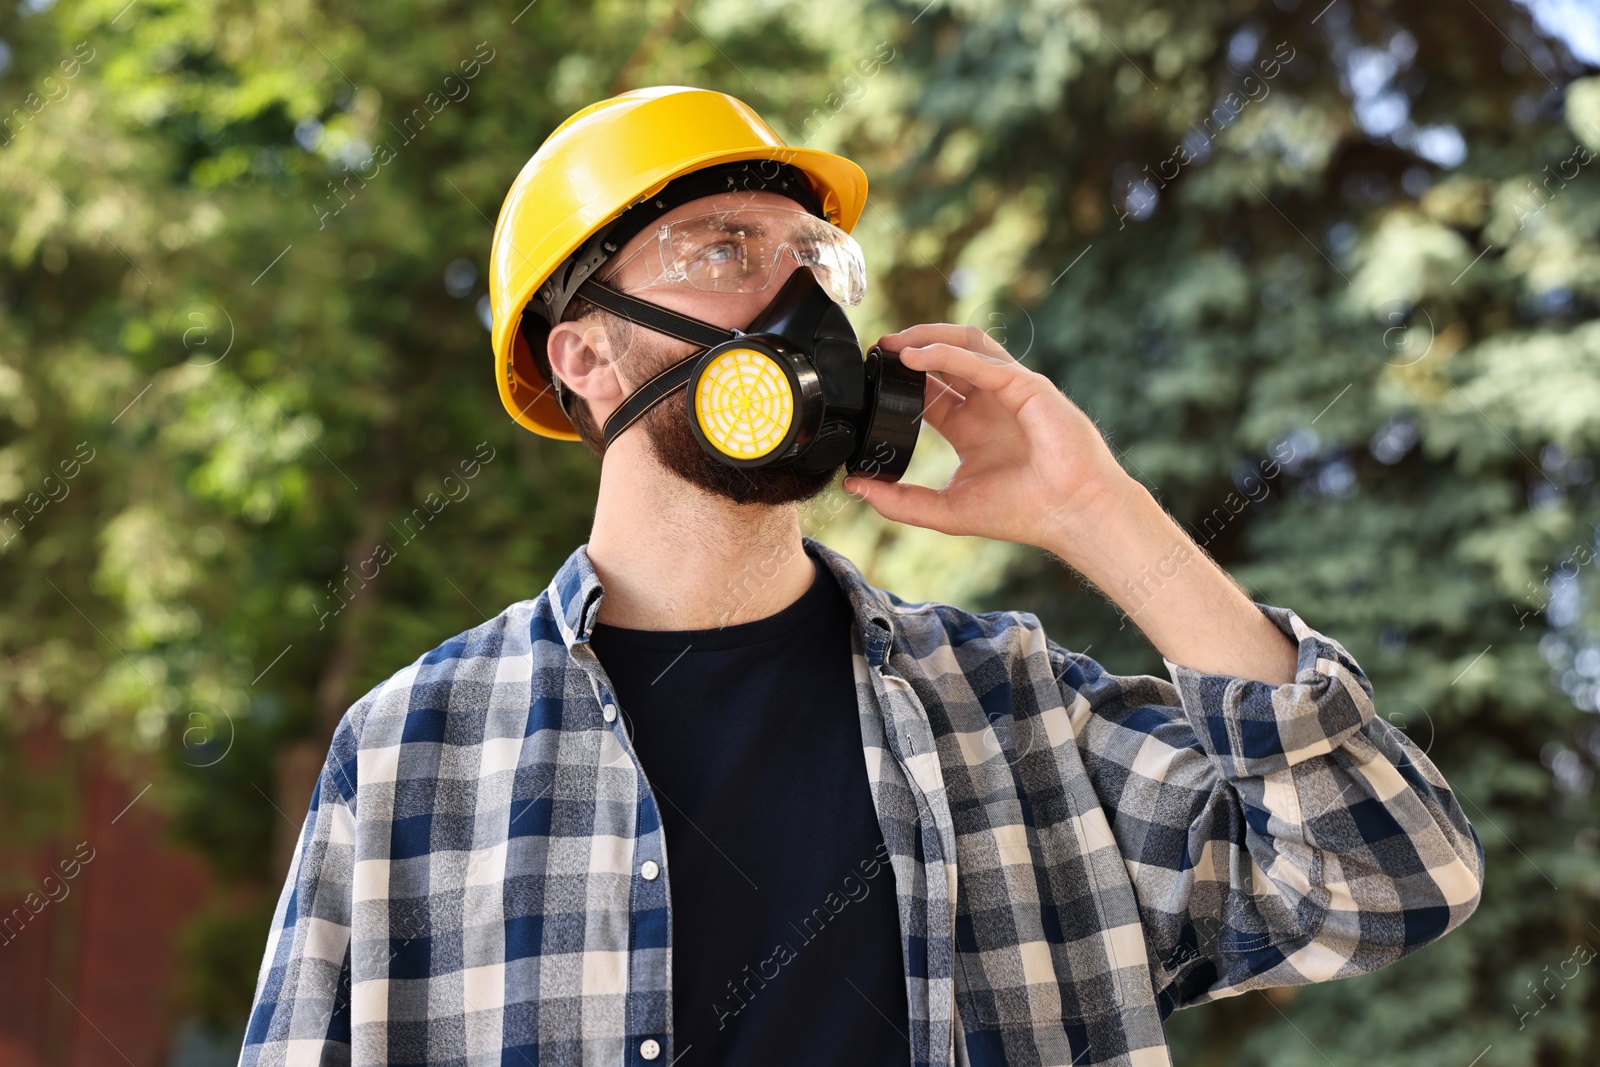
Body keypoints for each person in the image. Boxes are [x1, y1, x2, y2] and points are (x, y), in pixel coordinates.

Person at [238, 86, 1484, 1067]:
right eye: (720, 247)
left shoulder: (1014, 708)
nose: (795, 301)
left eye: (814, 260)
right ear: (588, 357)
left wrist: (1098, 514)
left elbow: (1389, 877)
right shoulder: (416, 748)